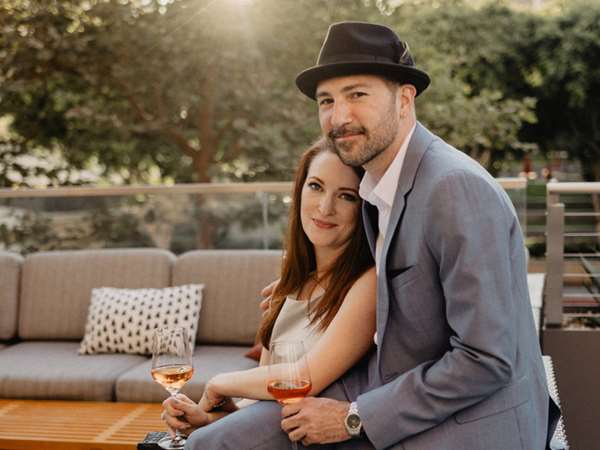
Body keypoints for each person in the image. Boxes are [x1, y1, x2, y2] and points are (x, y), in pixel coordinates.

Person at [181, 21, 560, 450]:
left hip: (469, 421)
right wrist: (316, 293)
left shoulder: (454, 187)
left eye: (357, 95)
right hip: (390, 381)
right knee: (215, 442)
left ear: (404, 99)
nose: (338, 117)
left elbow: (486, 360)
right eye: (327, 100)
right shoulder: (375, 188)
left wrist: (353, 417)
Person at [161, 138, 377, 443]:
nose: (325, 207)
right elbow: (262, 401)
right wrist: (208, 419)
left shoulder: (368, 282)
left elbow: (304, 378)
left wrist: (220, 383)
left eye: (346, 196)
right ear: (299, 191)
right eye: (316, 187)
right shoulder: (291, 283)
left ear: (364, 207)